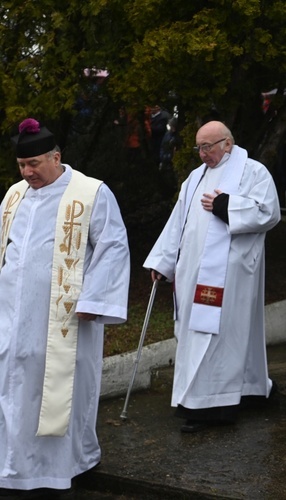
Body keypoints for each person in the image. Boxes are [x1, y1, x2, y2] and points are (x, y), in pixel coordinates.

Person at [0, 118, 130, 495]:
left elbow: (113, 246)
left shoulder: (90, 193)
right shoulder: (13, 195)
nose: (27, 173)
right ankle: (13, 464)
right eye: (22, 166)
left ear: (56, 156)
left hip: (64, 318)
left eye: (35, 164)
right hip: (12, 314)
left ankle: (65, 464)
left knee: (55, 389)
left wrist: (95, 300)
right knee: (13, 385)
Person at [144, 120, 281, 433]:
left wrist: (227, 206)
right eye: (199, 147)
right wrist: (163, 262)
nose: (203, 153)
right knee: (200, 333)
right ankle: (240, 390)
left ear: (228, 143)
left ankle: (211, 405)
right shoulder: (195, 177)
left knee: (218, 334)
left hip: (231, 273)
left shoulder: (253, 172)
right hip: (193, 271)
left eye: (208, 146)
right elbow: (178, 222)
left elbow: (270, 212)